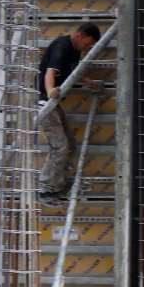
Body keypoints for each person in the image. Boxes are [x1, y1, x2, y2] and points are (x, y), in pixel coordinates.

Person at [37, 22, 101, 205]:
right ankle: (46, 189)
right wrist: (50, 92)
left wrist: (88, 82)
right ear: (79, 35)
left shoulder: (74, 50)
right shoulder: (62, 46)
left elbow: (72, 72)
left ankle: (58, 185)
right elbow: (50, 73)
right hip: (45, 103)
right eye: (87, 44)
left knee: (70, 145)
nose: (87, 47)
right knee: (60, 147)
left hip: (53, 104)